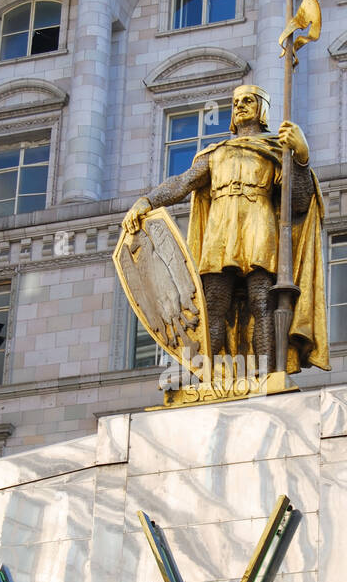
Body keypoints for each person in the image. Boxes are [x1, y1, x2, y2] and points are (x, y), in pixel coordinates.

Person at [122, 85, 328, 374]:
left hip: (260, 225)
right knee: (212, 306)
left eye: (248, 101)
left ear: (262, 109)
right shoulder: (217, 153)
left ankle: (267, 371)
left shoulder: (277, 150)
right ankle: (204, 373)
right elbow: (181, 183)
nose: (241, 106)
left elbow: (300, 201)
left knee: (262, 301)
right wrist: (147, 200)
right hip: (221, 231)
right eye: (236, 102)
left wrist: (302, 157)